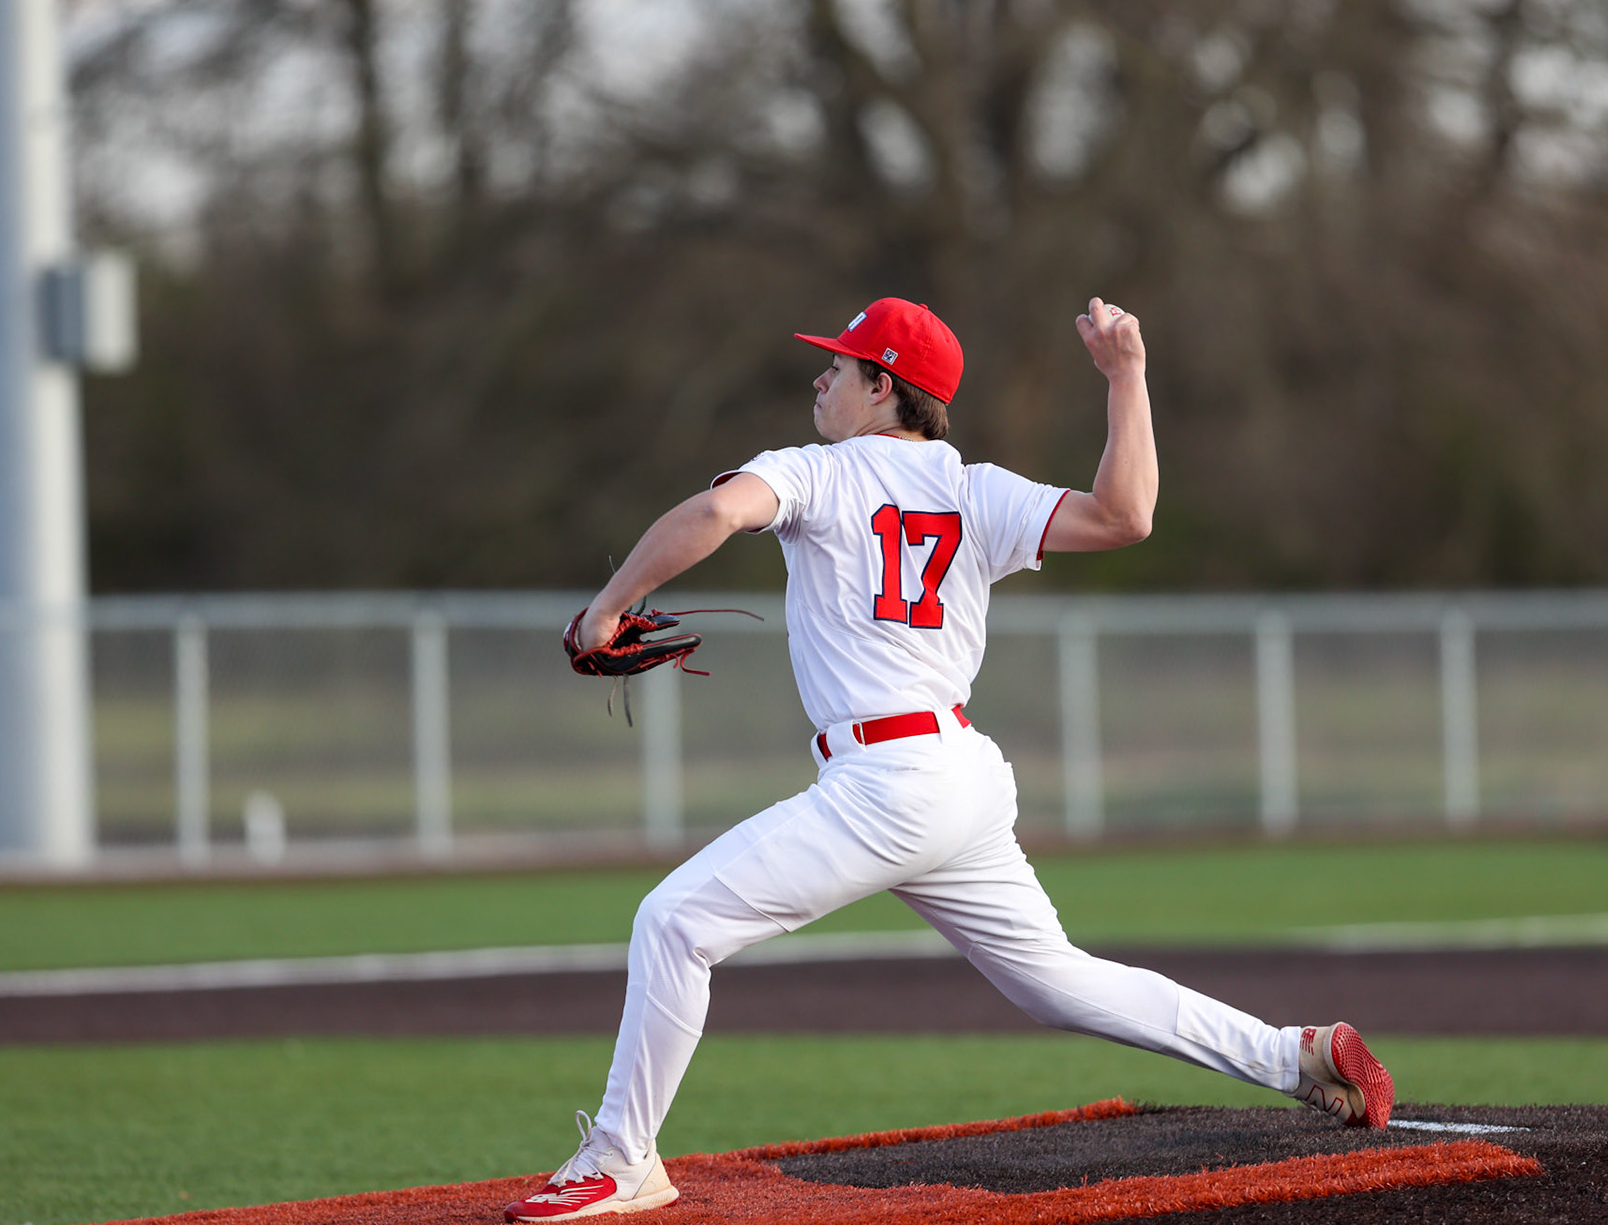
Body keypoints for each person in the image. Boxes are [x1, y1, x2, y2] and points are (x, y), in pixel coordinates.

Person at [504, 297, 1394, 1222]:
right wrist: (1126, 377)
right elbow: (1129, 516)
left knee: (673, 922)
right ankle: (1292, 1053)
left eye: (841, 367)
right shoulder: (976, 489)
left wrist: (607, 606)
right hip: (958, 777)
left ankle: (622, 1157)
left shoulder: (817, 471)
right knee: (1059, 982)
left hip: (886, 783)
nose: (822, 377)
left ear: (883, 387)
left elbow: (717, 510)